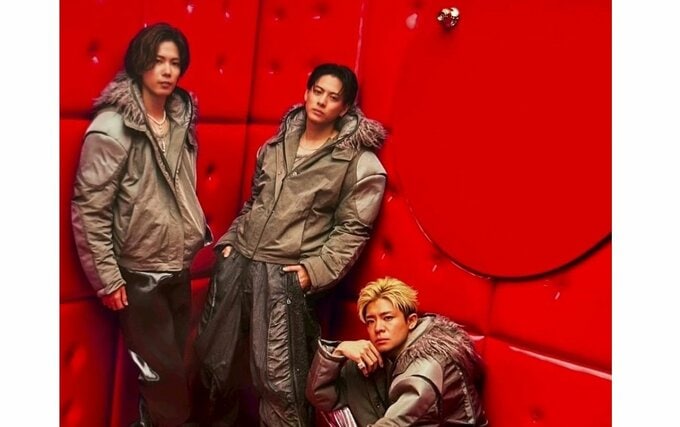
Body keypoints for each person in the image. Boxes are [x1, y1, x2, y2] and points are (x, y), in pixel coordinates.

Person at [194, 63, 387, 426]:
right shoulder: (275, 146)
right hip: (238, 265)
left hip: (283, 277)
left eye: (333, 97)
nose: (321, 102)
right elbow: (255, 202)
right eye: (317, 91)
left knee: (280, 381)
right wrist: (230, 243)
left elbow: (352, 230)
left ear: (345, 108)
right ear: (306, 92)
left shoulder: (358, 163)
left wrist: (313, 272)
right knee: (214, 361)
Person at [71, 23, 211, 427]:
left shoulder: (181, 121)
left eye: (174, 63)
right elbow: (90, 206)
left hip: (178, 267)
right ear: (139, 64)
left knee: (174, 373)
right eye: (157, 61)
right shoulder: (113, 127)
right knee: (165, 381)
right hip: (138, 276)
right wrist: (107, 278)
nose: (167, 71)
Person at [305, 277, 489, 427]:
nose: (378, 328)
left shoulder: (430, 365)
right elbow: (319, 396)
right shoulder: (379, 356)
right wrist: (338, 351)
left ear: (411, 321)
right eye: (370, 321)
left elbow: (395, 423)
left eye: (387, 318)